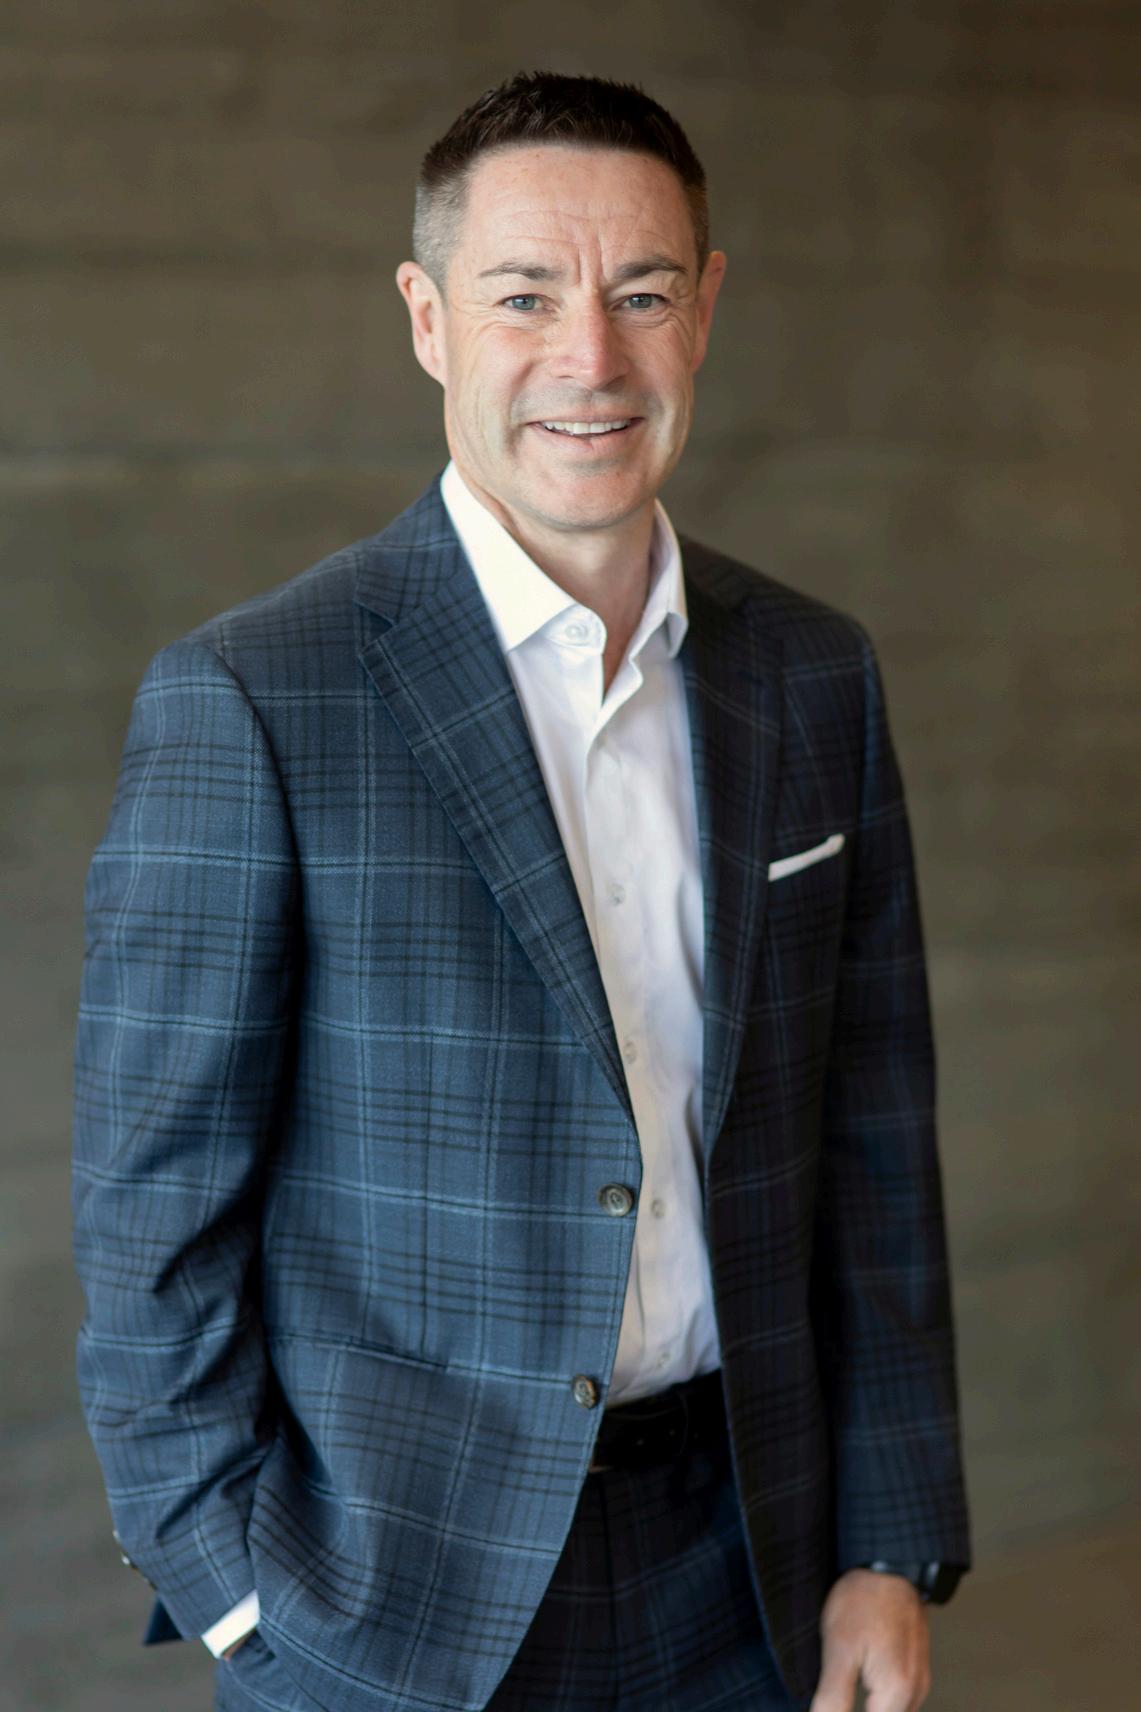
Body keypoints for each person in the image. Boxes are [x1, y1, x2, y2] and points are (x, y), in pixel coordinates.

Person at [72, 71, 971, 1712]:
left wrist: (885, 1544)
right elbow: (153, 1213)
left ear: (706, 310)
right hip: (387, 1598)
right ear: (428, 322)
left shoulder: (813, 675)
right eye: (523, 296)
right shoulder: (258, 697)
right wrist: (236, 1599)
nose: (590, 358)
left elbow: (871, 1137)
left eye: (642, 294)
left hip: (751, 1572)